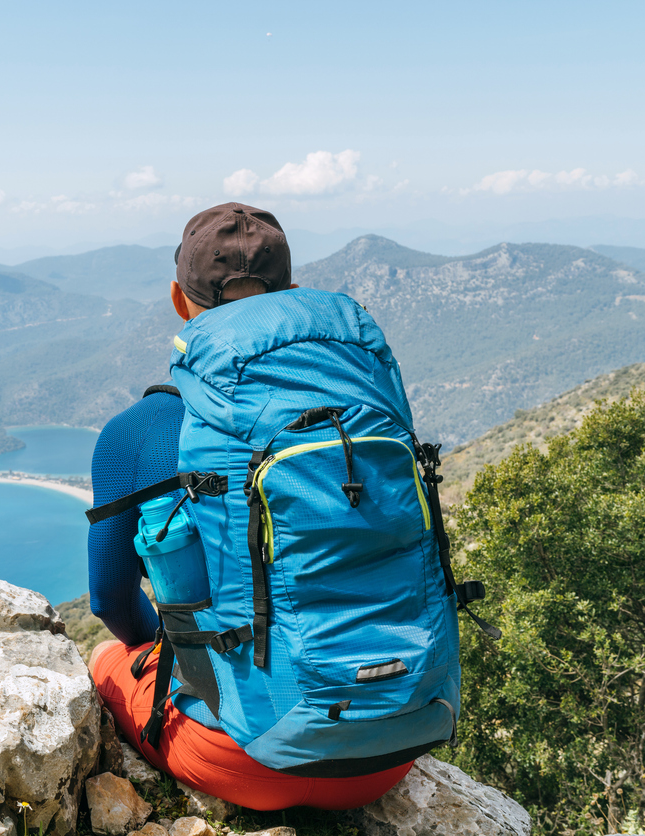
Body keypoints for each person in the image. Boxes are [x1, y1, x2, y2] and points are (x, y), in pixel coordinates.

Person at [85, 203, 413, 811]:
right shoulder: (351, 402)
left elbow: (108, 598)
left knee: (108, 658)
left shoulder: (137, 432)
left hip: (244, 756)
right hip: (391, 745)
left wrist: (166, 642)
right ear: (288, 294)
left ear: (179, 302)